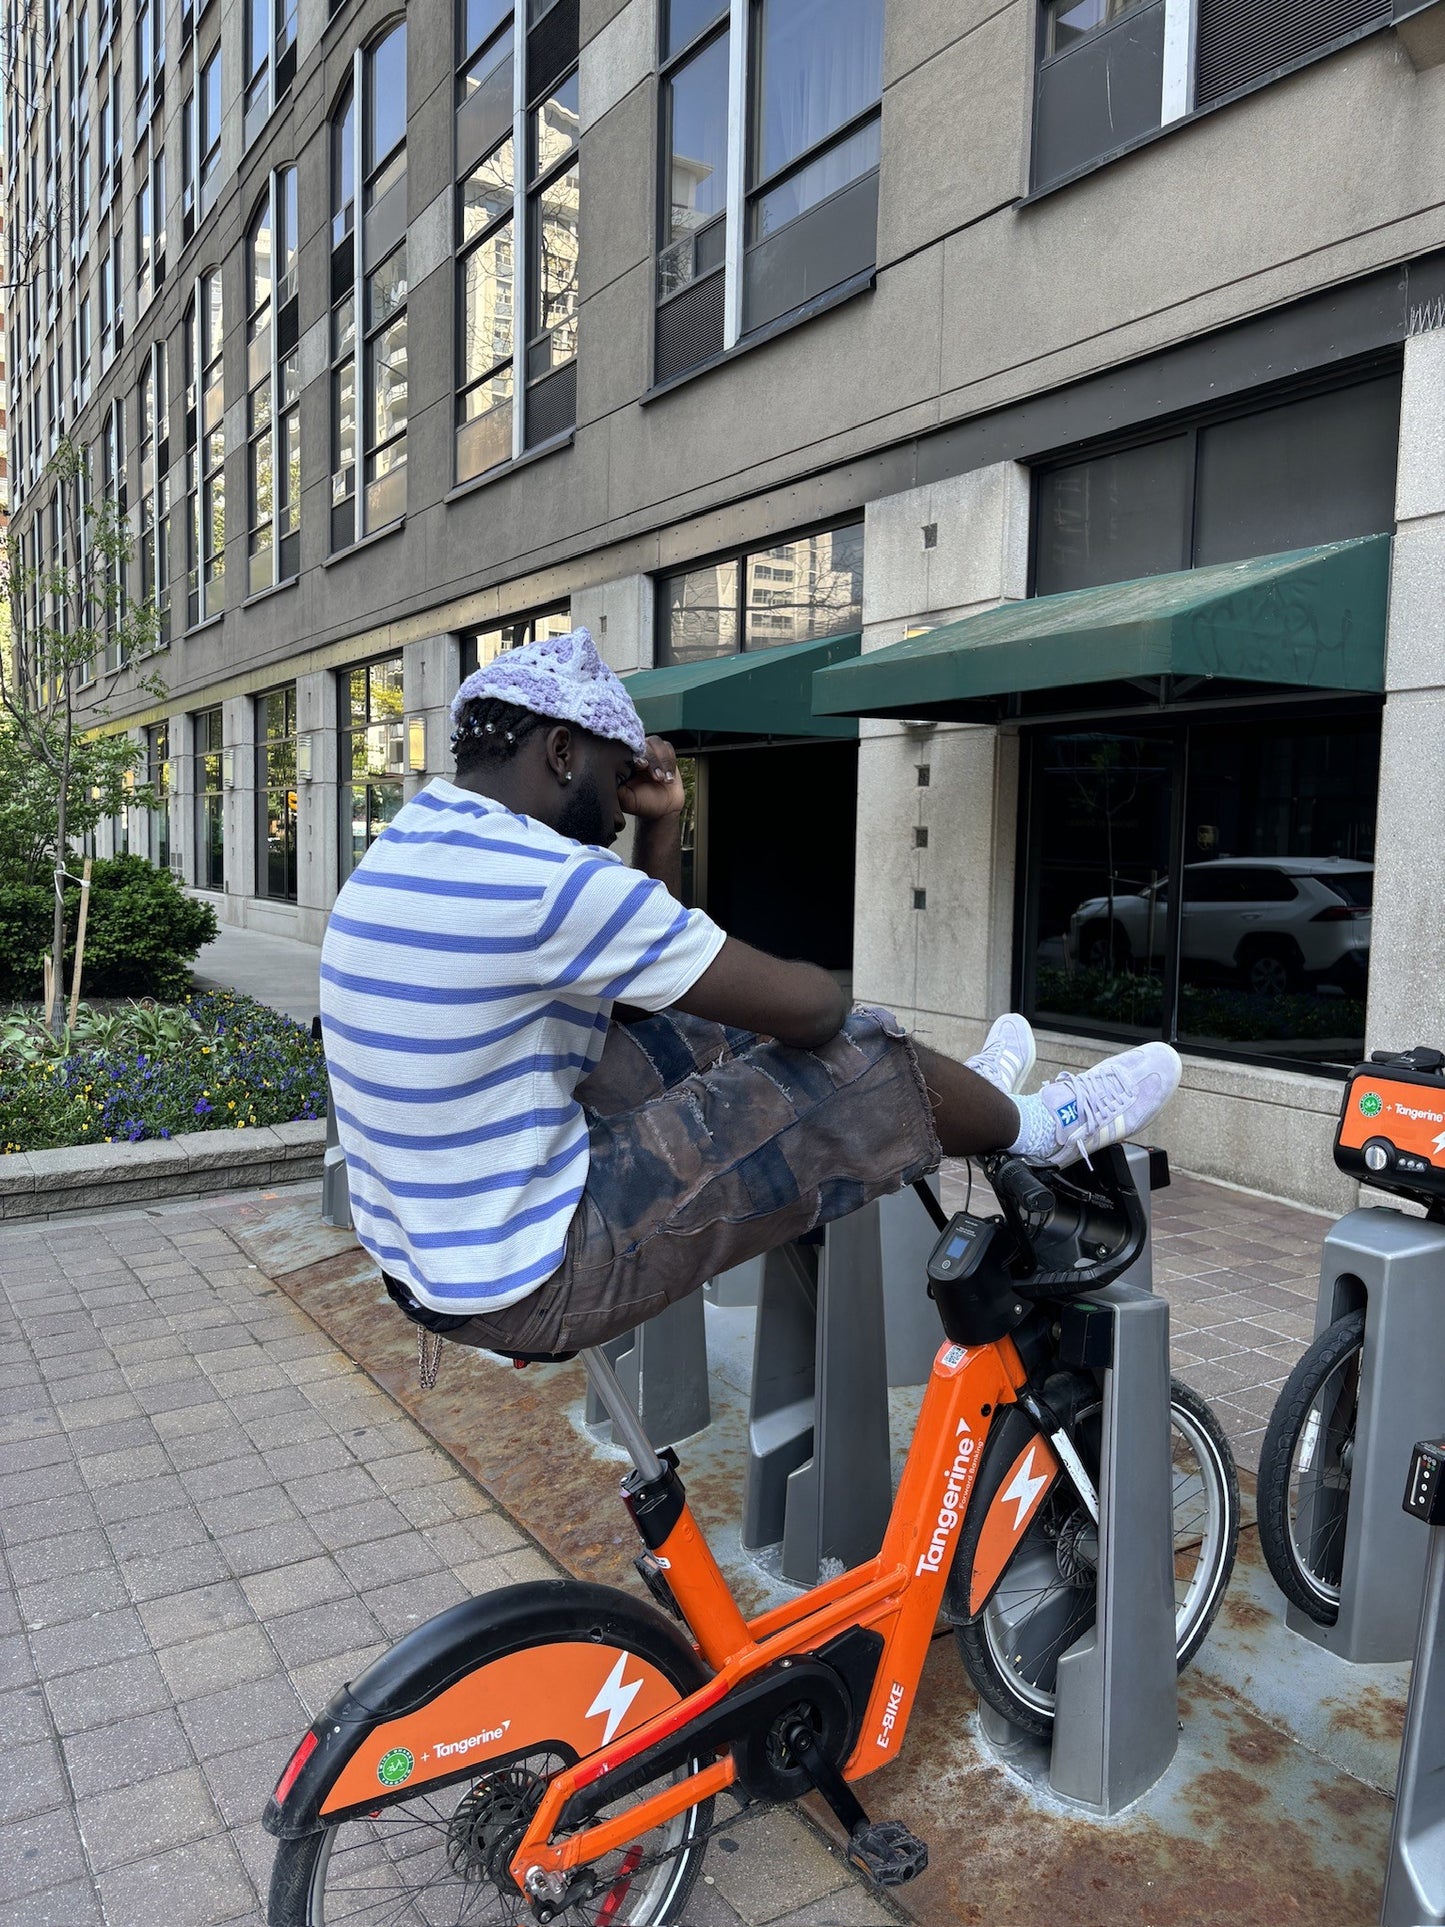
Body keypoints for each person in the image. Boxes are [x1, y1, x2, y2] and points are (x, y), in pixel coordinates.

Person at [318, 629, 1181, 1360]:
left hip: (428, 1257)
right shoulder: (544, 879)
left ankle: (969, 1098)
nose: (620, 807)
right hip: (531, 1274)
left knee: (695, 1030)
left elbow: (642, 1006)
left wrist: (662, 823)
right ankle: (1033, 1126)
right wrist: (835, 1041)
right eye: (618, 778)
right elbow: (814, 1008)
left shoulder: (416, 842)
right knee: (859, 1056)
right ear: (559, 751)